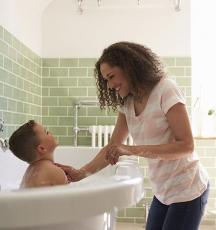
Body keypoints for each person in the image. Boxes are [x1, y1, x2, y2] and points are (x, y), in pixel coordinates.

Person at [58, 41, 210, 230]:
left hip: (188, 189)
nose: (110, 85)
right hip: (162, 191)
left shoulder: (166, 89)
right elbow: (113, 147)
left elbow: (186, 146)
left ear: (129, 67)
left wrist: (130, 150)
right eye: (106, 80)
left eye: (112, 76)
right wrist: (80, 173)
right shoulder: (127, 104)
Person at [9, 120, 71, 188]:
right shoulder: (54, 172)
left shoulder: (29, 172)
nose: (50, 132)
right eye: (47, 132)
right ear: (42, 148)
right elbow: (68, 197)